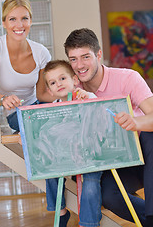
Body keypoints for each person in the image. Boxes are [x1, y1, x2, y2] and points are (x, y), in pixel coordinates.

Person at [63, 28, 153, 227]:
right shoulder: (72, 91)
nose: (79, 65)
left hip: (145, 154)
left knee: (150, 136)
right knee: (109, 195)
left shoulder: (128, 78)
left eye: (85, 57)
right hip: (118, 162)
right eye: (73, 59)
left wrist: (136, 122)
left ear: (98, 54)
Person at [43, 59, 101, 227]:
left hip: (91, 156)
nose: (59, 84)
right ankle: (60, 211)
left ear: (75, 80)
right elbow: (47, 132)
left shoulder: (87, 96)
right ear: (50, 91)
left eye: (62, 79)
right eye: (53, 83)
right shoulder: (53, 107)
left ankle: (89, 223)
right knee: (49, 169)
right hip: (66, 155)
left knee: (90, 182)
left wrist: (88, 101)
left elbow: (102, 113)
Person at [0, 0, 53, 133]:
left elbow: (42, 95)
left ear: (30, 20)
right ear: (4, 23)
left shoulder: (41, 52)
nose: (19, 25)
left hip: (38, 107)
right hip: (16, 114)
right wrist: (2, 99)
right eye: (12, 19)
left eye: (24, 18)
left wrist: (64, 94)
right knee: (45, 129)